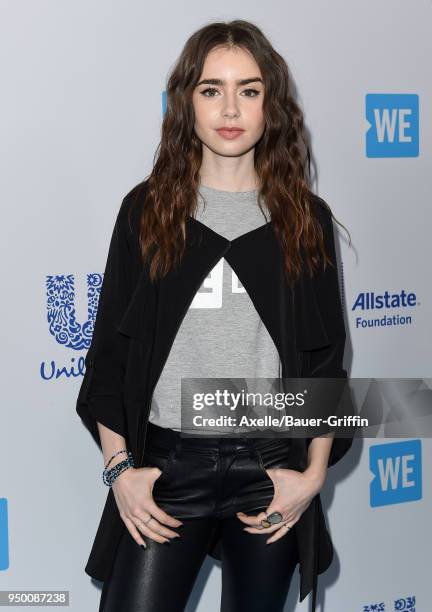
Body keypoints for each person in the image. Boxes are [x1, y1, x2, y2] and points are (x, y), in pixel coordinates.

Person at [76, 19, 354, 612]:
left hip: (269, 467)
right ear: (188, 102)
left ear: (270, 105)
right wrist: (121, 469)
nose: (230, 108)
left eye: (248, 90)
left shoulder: (305, 218)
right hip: (169, 468)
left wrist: (312, 476)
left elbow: (326, 361)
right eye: (212, 89)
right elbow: (110, 355)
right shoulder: (147, 211)